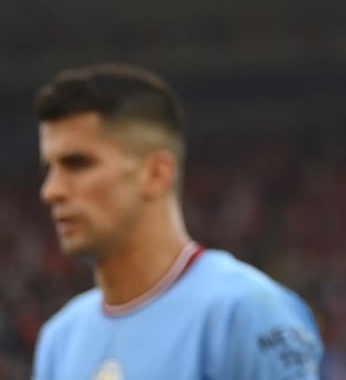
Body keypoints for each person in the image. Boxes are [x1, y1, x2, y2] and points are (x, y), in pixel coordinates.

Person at [32, 63, 322, 379]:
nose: (51, 191)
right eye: (49, 168)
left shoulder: (244, 314)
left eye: (78, 163)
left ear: (157, 174)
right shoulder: (59, 339)